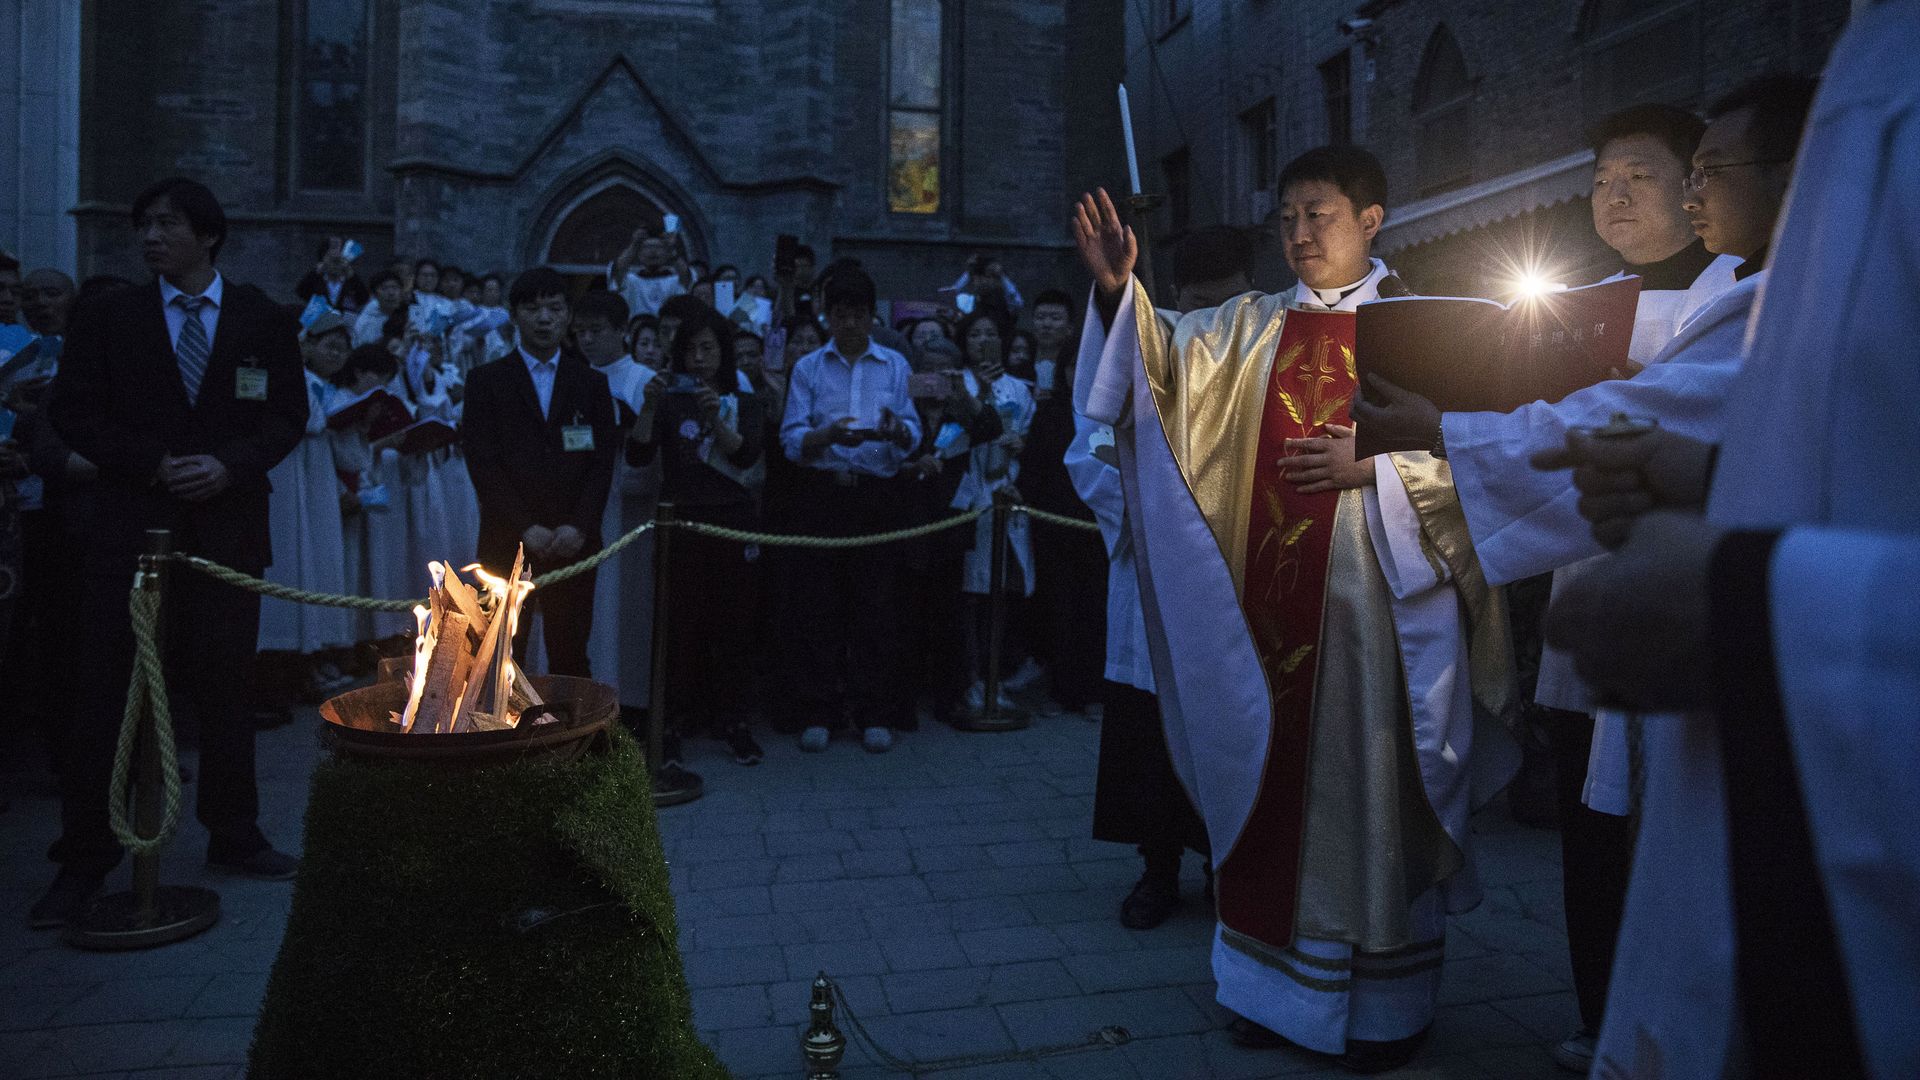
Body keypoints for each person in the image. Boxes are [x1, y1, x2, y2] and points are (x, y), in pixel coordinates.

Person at [1072, 146, 1518, 1070]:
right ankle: (1269, 994)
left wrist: (1377, 469)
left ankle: (1385, 1009)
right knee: (1271, 791)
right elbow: (1152, 382)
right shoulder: (1244, 329)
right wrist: (1122, 293)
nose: (1299, 234)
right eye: (1286, 218)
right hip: (1268, 625)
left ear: (1372, 220)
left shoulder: (1431, 330)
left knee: (1378, 794)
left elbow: (1488, 458)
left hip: (1391, 621)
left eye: (1319, 213)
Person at [1536, 45, 1910, 1077]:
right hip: (1625, 590)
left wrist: (1738, 576)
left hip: (1742, 629)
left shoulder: (1759, 291)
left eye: (1670, 175)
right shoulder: (1607, 290)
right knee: (1610, 827)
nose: (1634, 197)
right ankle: (1599, 1006)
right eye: (1601, 181)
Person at [35, 177, 310, 928]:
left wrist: (230, 464)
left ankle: (235, 833)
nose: (151, 237)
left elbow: (288, 414)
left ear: (208, 235)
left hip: (224, 533)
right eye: (144, 224)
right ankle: (85, 858)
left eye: (167, 224)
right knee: (110, 696)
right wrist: (152, 462)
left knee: (226, 689)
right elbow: (74, 412)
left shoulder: (260, 317)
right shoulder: (109, 316)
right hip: (132, 531)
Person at [1066, 280, 1209, 929]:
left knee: (1222, 725)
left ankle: (1228, 864)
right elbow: (1088, 449)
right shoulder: (1140, 350)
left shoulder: (1252, 348)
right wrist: (1153, 508)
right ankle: (1158, 869)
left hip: (1221, 578)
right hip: (1151, 567)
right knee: (1150, 730)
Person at [778, 266, 920, 753]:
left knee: (875, 606)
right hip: (824, 494)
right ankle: (820, 709)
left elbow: (910, 432)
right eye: (840, 315)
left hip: (876, 496)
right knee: (820, 605)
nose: (850, 324)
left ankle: (873, 711)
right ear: (828, 316)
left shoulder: (894, 366)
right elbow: (792, 439)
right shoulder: (809, 368)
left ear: (871, 316)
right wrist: (827, 435)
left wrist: (896, 432)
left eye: (858, 315)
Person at [461, 267, 619, 677]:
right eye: (533, 308)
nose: (544, 318)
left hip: (574, 542)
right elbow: (483, 462)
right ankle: (501, 739)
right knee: (500, 654)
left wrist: (579, 526)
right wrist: (524, 527)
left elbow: (602, 464)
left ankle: (572, 737)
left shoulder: (591, 383)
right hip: (506, 538)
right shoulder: (486, 382)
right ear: (514, 315)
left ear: (568, 315)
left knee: (570, 651)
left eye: (554, 307)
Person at [629, 306, 766, 766]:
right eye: (690, 349)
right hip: (681, 523)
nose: (699, 357)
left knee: (734, 624)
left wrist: (719, 418)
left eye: (708, 348)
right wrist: (648, 404)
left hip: (733, 520)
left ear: (724, 352)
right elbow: (638, 453)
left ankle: (735, 721)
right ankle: (670, 724)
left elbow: (745, 457)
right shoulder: (669, 399)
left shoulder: (745, 401)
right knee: (678, 625)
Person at [256, 310, 356, 696]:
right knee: (293, 565)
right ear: (306, 345)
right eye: (329, 346)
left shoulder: (326, 388)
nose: (336, 355)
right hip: (292, 482)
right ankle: (288, 664)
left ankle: (311, 657)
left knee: (317, 567)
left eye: (342, 349)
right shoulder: (297, 380)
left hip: (316, 485)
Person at [574, 289, 660, 725]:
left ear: (622, 332)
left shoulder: (641, 379)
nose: (587, 339)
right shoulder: (573, 375)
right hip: (580, 501)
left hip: (628, 508)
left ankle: (630, 703)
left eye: (597, 331)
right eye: (581, 331)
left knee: (626, 608)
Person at [949, 310, 1037, 710]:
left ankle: (996, 677)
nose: (983, 340)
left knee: (1002, 592)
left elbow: (1029, 435)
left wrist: (1023, 447)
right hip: (970, 497)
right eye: (975, 334)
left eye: (990, 332)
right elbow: (956, 437)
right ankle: (970, 678)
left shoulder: (1019, 388)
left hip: (1007, 495)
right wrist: (980, 396)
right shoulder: (958, 383)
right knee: (971, 594)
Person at [609, 227, 690, 318]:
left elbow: (686, 274)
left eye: (659, 247)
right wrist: (634, 244)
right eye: (647, 247)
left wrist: (671, 247)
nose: (653, 252)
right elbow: (618, 269)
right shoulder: (631, 280)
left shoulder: (675, 280)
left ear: (667, 253)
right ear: (638, 254)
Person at [294, 236, 369, 313]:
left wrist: (352, 276)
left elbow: (363, 298)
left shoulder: (350, 281)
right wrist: (316, 272)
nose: (335, 265)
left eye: (338, 260)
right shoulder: (317, 280)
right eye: (332, 260)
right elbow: (301, 291)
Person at [354, 270, 406, 346]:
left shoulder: (411, 315)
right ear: (374, 295)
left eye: (395, 288)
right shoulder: (365, 322)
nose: (391, 293)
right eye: (384, 288)